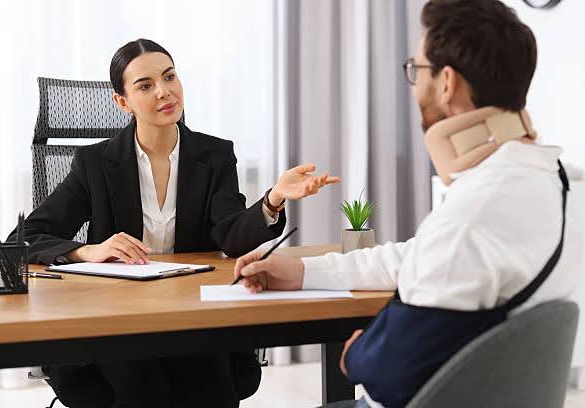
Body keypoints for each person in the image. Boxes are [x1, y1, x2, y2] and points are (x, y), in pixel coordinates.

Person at [233, 1, 584, 407]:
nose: (414, 84)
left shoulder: (474, 212)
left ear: (447, 82)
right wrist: (302, 271)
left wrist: (358, 355)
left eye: (416, 72)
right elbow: (422, 259)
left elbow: (386, 374)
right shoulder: (547, 179)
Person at [10, 39, 339, 408]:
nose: (164, 91)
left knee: (205, 378)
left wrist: (273, 198)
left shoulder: (214, 156)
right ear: (123, 102)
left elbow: (230, 235)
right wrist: (89, 250)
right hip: (118, 323)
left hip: (193, 316)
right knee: (143, 383)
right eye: (145, 85)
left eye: (169, 77)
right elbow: (23, 238)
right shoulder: (96, 164)